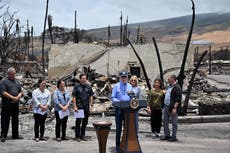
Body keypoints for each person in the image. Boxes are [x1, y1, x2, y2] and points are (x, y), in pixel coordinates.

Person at [0, 67, 23, 142]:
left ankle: (15, 135)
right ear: (8, 73)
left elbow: (21, 91)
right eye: (13, 73)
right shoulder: (3, 82)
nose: (14, 75)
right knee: (5, 120)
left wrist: (18, 97)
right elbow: (3, 92)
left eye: (14, 73)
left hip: (15, 104)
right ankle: (3, 135)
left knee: (15, 120)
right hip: (7, 104)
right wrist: (13, 97)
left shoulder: (17, 81)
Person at [112, 71, 132, 152]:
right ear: (120, 77)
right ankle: (118, 145)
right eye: (122, 77)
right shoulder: (116, 86)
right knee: (119, 128)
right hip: (119, 109)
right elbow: (113, 98)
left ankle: (126, 143)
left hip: (128, 110)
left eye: (125, 77)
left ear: (127, 77)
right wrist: (119, 102)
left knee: (127, 128)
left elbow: (132, 96)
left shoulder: (130, 86)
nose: (124, 78)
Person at [72, 73, 94, 142]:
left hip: (86, 107)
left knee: (85, 122)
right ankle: (77, 136)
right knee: (78, 122)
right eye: (82, 78)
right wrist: (74, 106)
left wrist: (91, 105)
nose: (84, 80)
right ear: (80, 79)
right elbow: (74, 96)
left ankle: (83, 135)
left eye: (85, 78)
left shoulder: (88, 87)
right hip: (79, 107)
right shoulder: (77, 87)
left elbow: (91, 96)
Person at [161, 74, 182, 142]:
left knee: (174, 123)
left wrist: (175, 108)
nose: (168, 80)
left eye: (169, 79)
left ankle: (173, 137)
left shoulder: (177, 87)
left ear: (173, 79)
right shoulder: (168, 87)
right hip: (166, 106)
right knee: (165, 121)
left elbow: (178, 99)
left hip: (172, 108)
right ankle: (167, 135)